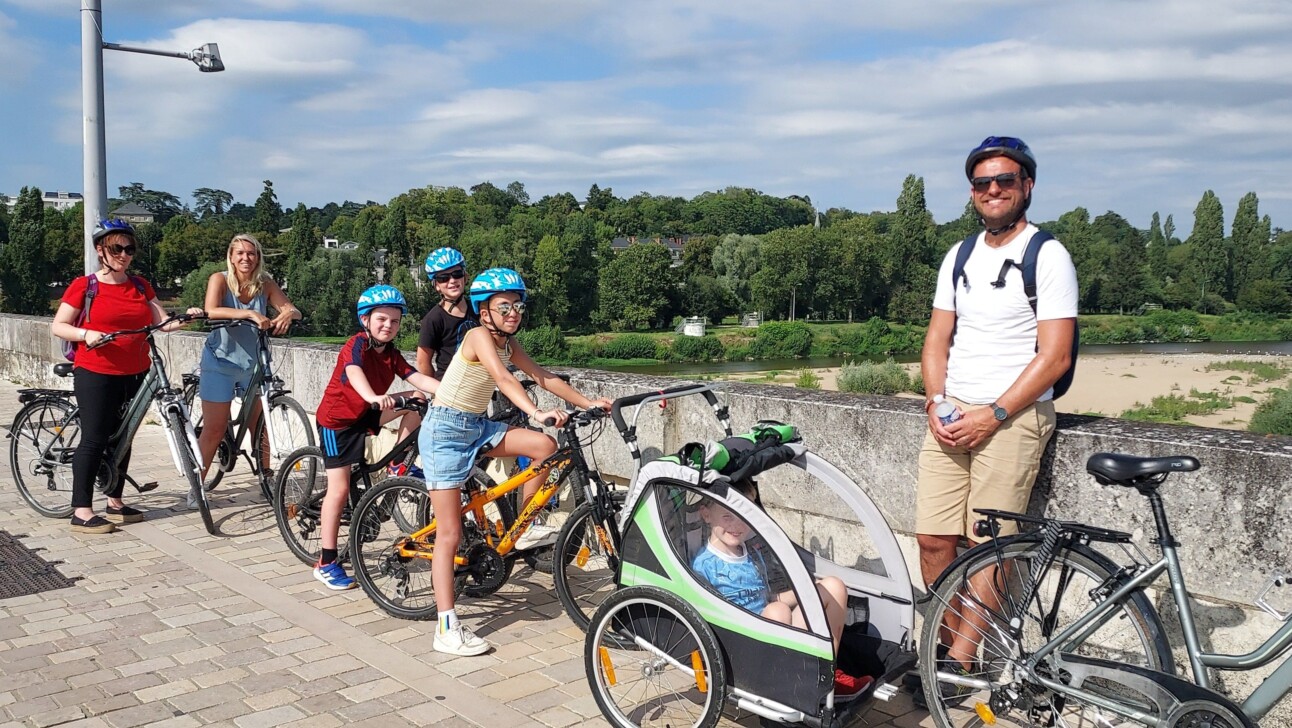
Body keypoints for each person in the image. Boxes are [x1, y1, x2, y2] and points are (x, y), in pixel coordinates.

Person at [914, 136, 1078, 679]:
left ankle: (959, 665)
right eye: (983, 183)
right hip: (952, 411)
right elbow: (937, 339)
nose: (993, 190)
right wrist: (937, 402)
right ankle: (941, 646)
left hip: (1013, 417)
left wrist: (997, 413)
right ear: (972, 192)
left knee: (990, 545)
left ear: (1027, 186)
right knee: (935, 538)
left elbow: (1054, 357)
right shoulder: (959, 254)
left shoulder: (1047, 255)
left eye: (1004, 181)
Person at [420, 267, 612, 656]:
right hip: (443, 432)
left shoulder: (509, 343)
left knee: (543, 447)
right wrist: (536, 411)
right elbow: (503, 380)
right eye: (504, 306)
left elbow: (543, 376)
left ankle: (524, 528)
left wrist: (589, 403)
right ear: (484, 310)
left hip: (475, 425)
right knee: (450, 534)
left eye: (518, 305)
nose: (513, 313)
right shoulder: (476, 336)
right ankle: (446, 627)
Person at [50, 219, 200, 533]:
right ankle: (81, 510)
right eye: (117, 248)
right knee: (94, 438)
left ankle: (115, 502)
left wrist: (187, 317)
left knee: (125, 435)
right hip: (96, 371)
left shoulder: (140, 286)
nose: (124, 254)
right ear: (100, 250)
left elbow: (162, 322)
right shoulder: (85, 286)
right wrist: (86, 333)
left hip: (136, 371)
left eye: (129, 248)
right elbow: (58, 325)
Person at [692, 480, 871, 701]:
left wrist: (806, 590)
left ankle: (826, 676)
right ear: (706, 514)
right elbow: (709, 618)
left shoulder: (752, 553)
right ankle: (794, 683)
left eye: (744, 515)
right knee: (777, 611)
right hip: (744, 646)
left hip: (773, 626)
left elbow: (767, 597)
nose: (737, 525)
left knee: (833, 586)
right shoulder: (704, 565)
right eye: (727, 516)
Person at [312, 285, 439, 590]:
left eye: (394, 321)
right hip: (338, 424)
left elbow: (415, 377)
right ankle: (327, 562)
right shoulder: (356, 345)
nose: (388, 326)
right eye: (382, 319)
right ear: (366, 320)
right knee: (339, 489)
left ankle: (396, 463)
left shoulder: (391, 353)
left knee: (417, 399)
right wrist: (373, 395)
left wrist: (450, 392)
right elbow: (354, 371)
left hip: (366, 413)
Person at [194, 233, 301, 507]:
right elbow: (211, 310)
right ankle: (197, 486)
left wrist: (288, 313)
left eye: (251, 253)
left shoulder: (264, 283)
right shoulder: (220, 280)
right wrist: (248, 313)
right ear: (231, 256)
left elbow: (291, 308)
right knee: (215, 428)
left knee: (260, 426)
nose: (246, 258)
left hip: (254, 364)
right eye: (240, 253)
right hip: (221, 361)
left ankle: (266, 477)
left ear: (258, 257)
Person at [415, 247, 475, 381]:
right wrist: (436, 390)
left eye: (457, 274)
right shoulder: (433, 319)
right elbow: (422, 361)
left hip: (476, 385)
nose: (452, 280)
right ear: (436, 285)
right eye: (444, 278)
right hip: (449, 386)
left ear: (465, 277)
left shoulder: (478, 310)